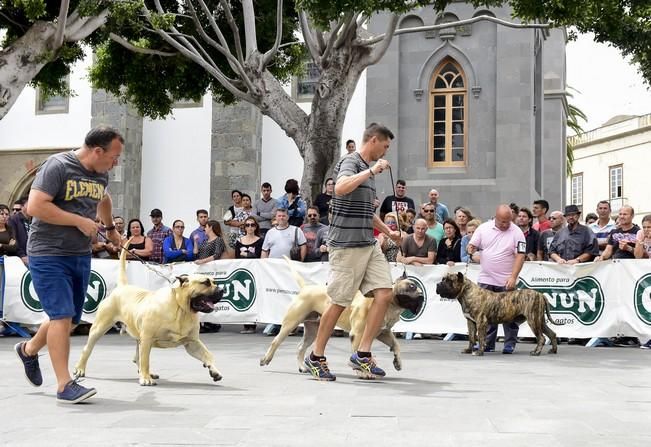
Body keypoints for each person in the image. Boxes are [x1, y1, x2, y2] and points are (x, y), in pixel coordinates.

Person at [14, 125, 123, 404]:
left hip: (79, 254)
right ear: (97, 151)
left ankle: (28, 350)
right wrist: (78, 220)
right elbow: (35, 206)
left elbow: (104, 197)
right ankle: (65, 385)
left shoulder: (101, 174)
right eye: (114, 155)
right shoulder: (58, 165)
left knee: (68, 317)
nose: (116, 161)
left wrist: (110, 229)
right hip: (48, 253)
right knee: (61, 316)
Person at [304, 123, 400, 381]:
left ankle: (363, 353)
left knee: (385, 293)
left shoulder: (370, 173)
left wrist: (388, 232)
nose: (386, 150)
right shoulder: (351, 162)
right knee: (339, 302)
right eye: (386, 145)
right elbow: (340, 187)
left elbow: (367, 213)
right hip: (346, 246)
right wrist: (370, 170)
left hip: (368, 244)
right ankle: (316, 356)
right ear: (374, 140)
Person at [467, 204, 527, 354]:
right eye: (503, 222)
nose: (506, 224)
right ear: (496, 217)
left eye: (508, 221)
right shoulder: (483, 228)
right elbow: (472, 244)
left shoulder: (517, 232)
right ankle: (487, 343)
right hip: (486, 278)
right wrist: (471, 248)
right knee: (485, 314)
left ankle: (509, 344)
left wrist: (513, 277)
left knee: (510, 314)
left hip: (506, 280)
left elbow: (520, 255)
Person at [235, 217, 264, 334]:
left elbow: (259, 256)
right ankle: (245, 323)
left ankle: (252, 323)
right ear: (244, 227)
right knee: (243, 296)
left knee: (253, 296)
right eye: (247, 225)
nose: (250, 227)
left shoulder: (260, 240)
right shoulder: (239, 240)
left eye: (252, 225)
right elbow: (237, 257)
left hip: (255, 272)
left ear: (256, 227)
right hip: (243, 272)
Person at [635, 214, 651, 349]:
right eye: (644, 227)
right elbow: (638, 256)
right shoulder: (640, 233)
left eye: (649, 227)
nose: (646, 230)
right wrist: (641, 242)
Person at [7, 198, 30, 266]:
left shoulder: (32, 220)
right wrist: (22, 255)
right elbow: (13, 238)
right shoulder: (13, 219)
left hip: (32, 256)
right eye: (29, 204)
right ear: (22, 207)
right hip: (20, 259)